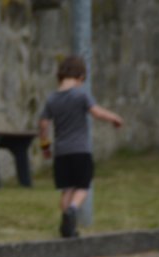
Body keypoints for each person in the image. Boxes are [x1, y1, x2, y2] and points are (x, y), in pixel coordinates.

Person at [38, 55, 124, 238]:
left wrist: (45, 147)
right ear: (81, 77)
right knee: (83, 186)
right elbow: (96, 112)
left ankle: (67, 227)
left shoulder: (52, 99)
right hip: (80, 150)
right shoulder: (81, 95)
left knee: (66, 189)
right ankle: (72, 210)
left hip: (61, 152)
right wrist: (114, 118)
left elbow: (43, 124)